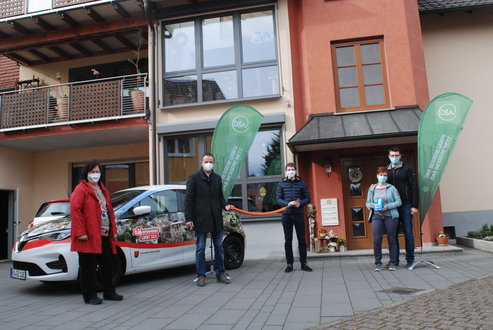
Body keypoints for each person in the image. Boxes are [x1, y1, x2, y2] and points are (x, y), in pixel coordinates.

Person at [70, 161, 123, 305]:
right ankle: (89, 295)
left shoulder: (103, 190)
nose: (95, 174)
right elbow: (75, 211)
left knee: (108, 264)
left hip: (104, 234)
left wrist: (114, 230)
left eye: (97, 171)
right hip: (88, 235)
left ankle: (109, 292)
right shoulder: (81, 189)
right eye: (92, 171)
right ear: (86, 173)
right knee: (88, 266)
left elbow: (109, 211)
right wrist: (81, 232)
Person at [185, 153, 233, 287]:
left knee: (219, 247)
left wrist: (226, 205)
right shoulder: (194, 178)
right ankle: (201, 275)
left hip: (216, 218)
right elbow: (188, 200)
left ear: (214, 163)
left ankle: (220, 273)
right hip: (200, 219)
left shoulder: (217, 178)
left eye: (211, 162)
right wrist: (189, 218)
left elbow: (220, 197)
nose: (208, 164)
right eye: (206, 161)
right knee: (200, 248)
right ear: (201, 162)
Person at [276, 162, 312, 273]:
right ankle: (289, 264)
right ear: (286, 171)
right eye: (289, 169)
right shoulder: (281, 184)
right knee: (288, 240)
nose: (290, 171)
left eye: (292, 169)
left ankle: (304, 263)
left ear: (295, 171)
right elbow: (278, 198)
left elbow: (308, 198)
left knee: (302, 239)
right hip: (286, 215)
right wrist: (287, 203)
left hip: (299, 214)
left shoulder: (301, 183)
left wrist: (300, 203)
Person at [387, 146, 419, 269]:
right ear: (389, 157)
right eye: (392, 156)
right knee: (392, 234)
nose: (394, 158)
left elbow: (414, 187)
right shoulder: (386, 171)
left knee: (408, 233)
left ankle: (410, 260)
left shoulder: (407, 169)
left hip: (406, 206)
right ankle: (394, 260)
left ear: (400, 156)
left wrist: (414, 205)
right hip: (392, 207)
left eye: (397, 155)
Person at [366, 167, 402, 271]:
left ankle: (392, 263)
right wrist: (371, 205)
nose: (383, 177)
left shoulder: (392, 188)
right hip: (376, 216)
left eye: (385, 175)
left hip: (390, 216)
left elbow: (399, 202)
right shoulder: (372, 188)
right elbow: (367, 203)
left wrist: (388, 206)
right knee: (377, 240)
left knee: (392, 239)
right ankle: (378, 263)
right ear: (377, 176)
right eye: (381, 175)